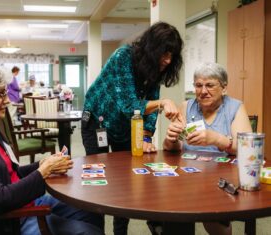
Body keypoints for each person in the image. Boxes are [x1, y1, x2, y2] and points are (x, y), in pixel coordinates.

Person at [0, 59, 104, 235]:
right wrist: (42, 172)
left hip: (22, 204)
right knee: (87, 232)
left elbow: (9, 174)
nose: (7, 101)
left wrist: (42, 164)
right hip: (8, 219)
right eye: (0, 94)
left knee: (91, 209)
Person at [81, 21, 184, 235]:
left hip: (124, 126)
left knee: (126, 183)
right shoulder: (123, 56)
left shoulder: (155, 68)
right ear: (151, 48)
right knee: (97, 182)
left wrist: (146, 137)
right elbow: (129, 105)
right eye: (164, 53)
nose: (167, 60)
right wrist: (163, 103)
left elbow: (150, 105)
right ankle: (94, 230)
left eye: (171, 55)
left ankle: (121, 232)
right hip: (96, 123)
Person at [163, 62, 252, 235]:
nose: (203, 91)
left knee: (212, 215)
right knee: (173, 206)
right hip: (188, 177)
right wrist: (171, 139)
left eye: (210, 85)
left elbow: (246, 149)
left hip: (223, 177)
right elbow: (171, 148)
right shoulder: (187, 107)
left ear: (224, 88)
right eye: (198, 85)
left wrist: (217, 139)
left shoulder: (235, 107)